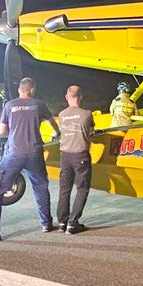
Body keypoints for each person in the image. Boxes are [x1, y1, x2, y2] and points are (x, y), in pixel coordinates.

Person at [0, 77, 61, 242]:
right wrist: (57, 134)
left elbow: (4, 132)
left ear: (20, 90)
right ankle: (46, 224)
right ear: (32, 89)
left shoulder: (9, 105)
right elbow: (52, 123)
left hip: (15, 153)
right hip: (35, 152)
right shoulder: (39, 104)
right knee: (41, 188)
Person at [56, 85, 96, 234]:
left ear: (66, 97)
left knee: (64, 189)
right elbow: (91, 131)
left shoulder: (61, 114)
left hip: (65, 155)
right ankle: (73, 223)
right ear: (81, 97)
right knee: (82, 188)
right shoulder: (87, 114)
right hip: (81, 156)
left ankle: (62, 222)